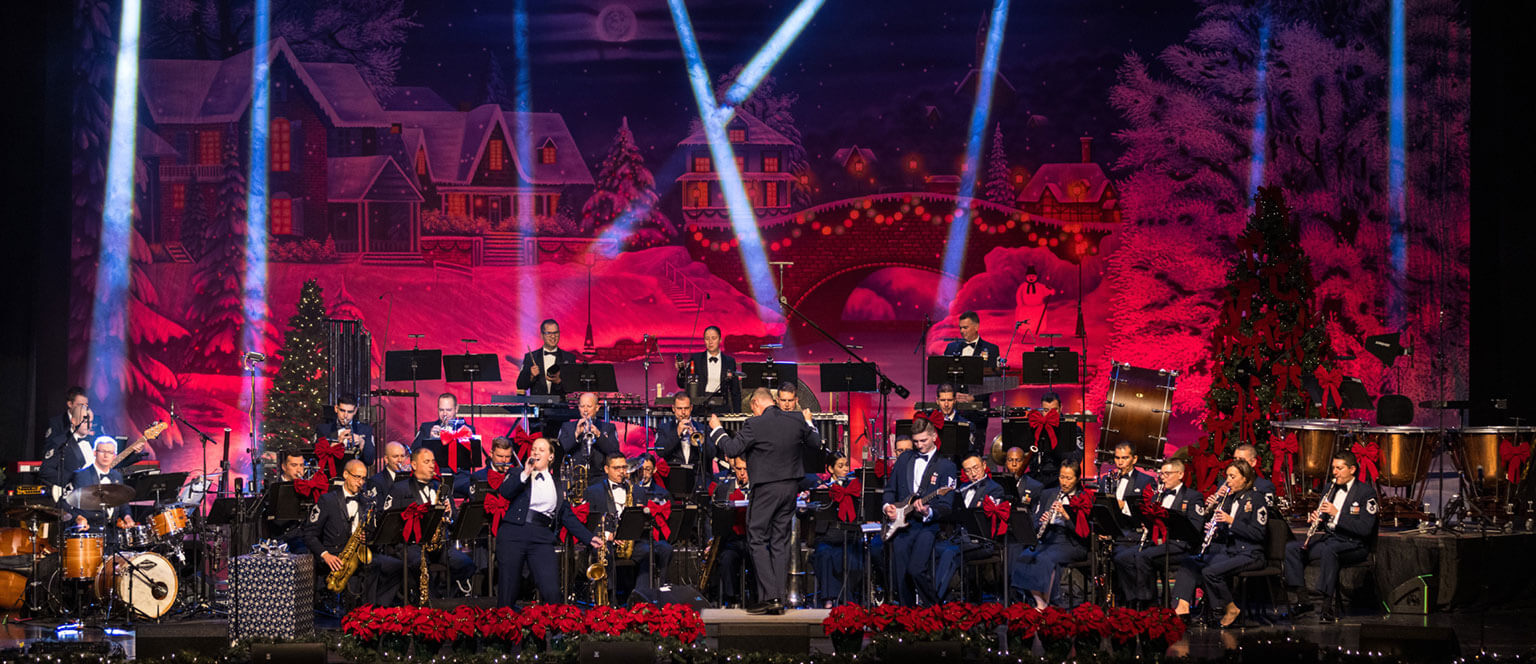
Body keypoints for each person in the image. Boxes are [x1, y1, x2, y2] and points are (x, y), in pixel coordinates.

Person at [707, 387, 822, 615]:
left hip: (767, 489)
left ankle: (772, 596)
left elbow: (731, 448)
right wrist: (809, 423)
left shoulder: (754, 423)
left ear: (756, 404)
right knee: (779, 541)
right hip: (790, 488)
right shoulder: (797, 419)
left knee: (757, 538)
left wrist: (717, 429)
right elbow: (815, 443)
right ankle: (776, 598)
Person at [493, 437, 605, 607]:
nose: (536, 452)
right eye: (534, 449)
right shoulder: (518, 474)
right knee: (508, 591)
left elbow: (567, 516)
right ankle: (504, 630)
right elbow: (505, 492)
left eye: (541, 450)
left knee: (551, 589)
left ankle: (557, 630)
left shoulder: (557, 485)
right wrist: (525, 473)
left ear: (551, 457)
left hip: (541, 537)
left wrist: (589, 538)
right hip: (514, 534)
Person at [1284, 451, 1377, 623]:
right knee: (1292, 549)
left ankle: (1326, 605)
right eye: (1333, 468)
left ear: (1352, 470)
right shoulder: (1329, 488)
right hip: (1331, 539)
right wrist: (1316, 520)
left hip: (1355, 544)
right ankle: (1303, 600)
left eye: (1340, 468)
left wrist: (1337, 514)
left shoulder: (1366, 493)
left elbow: (1365, 529)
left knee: (1330, 550)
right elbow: (1325, 520)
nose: (1335, 472)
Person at [1173, 459, 1269, 627]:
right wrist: (1216, 529)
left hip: (1251, 553)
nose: (1228, 481)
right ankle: (1181, 609)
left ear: (1245, 478)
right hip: (1231, 551)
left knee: (1210, 572)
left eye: (1232, 476)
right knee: (1190, 562)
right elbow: (1227, 531)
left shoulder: (1256, 499)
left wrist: (1230, 521)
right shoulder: (1229, 499)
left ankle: (1228, 608)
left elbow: (1258, 533)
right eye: (1227, 477)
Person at [881, 417, 958, 606]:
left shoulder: (946, 466)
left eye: (923, 440)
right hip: (903, 525)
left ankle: (935, 610)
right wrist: (887, 506)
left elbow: (947, 505)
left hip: (927, 526)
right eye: (916, 441)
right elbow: (890, 489)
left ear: (934, 436)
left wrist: (928, 512)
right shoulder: (905, 458)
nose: (919, 445)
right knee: (901, 575)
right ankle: (908, 616)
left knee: (916, 569)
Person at [381, 448, 476, 597]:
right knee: (419, 565)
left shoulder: (442, 488)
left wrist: (450, 513)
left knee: (466, 564)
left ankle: (444, 598)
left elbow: (455, 521)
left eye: (433, 461)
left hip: (440, 545)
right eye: (426, 462)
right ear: (413, 465)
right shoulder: (400, 489)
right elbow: (389, 521)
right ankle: (428, 604)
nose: (432, 465)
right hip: (413, 545)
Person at [304, 460, 402, 606]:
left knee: (397, 566)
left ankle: (377, 609)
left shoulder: (367, 501)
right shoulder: (327, 500)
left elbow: (373, 530)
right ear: (345, 474)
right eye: (357, 477)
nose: (361, 482)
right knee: (368, 570)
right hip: (335, 554)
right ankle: (355, 613)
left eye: (363, 478)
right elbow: (309, 534)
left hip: (360, 552)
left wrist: (368, 536)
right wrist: (325, 555)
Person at [1113, 458, 1205, 609]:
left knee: (1143, 557)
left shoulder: (1192, 497)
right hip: (1156, 543)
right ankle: (1133, 598)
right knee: (1122, 558)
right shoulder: (1157, 496)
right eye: (1161, 474)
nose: (1162, 477)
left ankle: (1148, 603)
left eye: (1167, 474)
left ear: (1180, 474)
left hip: (1179, 545)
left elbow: (1195, 529)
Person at [584, 453, 673, 601]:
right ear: (606, 469)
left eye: (624, 467)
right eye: (616, 468)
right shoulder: (593, 491)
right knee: (605, 553)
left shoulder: (637, 491)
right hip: (606, 541)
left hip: (632, 541)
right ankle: (609, 600)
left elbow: (645, 523)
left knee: (653, 550)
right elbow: (587, 522)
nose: (621, 471)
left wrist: (640, 516)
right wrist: (607, 535)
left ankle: (640, 596)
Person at [1012, 460, 1092, 608]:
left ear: (1077, 479)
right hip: (1050, 538)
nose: (1064, 482)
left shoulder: (1084, 498)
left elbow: (1084, 532)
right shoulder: (1049, 493)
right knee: (1025, 556)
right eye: (1062, 477)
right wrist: (1042, 521)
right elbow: (1035, 521)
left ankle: (1046, 603)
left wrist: (1066, 516)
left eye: (1069, 478)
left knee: (1044, 559)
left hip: (1071, 542)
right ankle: (1039, 601)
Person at [40, 387, 148, 490]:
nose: (89, 425)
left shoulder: (96, 442)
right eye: (85, 421)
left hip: (98, 494)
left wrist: (133, 453)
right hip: (74, 496)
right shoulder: (60, 442)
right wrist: (73, 479)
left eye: (90, 422)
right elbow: (46, 471)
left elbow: (112, 463)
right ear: (73, 421)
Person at [934, 454, 1005, 602]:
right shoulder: (963, 488)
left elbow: (989, 520)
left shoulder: (994, 489)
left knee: (950, 553)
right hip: (960, 539)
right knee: (931, 548)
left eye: (975, 468)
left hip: (982, 541)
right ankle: (943, 596)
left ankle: (935, 598)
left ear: (984, 465)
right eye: (968, 471)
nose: (973, 473)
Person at [807, 454, 863, 607]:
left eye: (846, 465)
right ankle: (830, 600)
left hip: (848, 536)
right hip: (827, 536)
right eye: (840, 466)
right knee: (824, 555)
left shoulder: (855, 487)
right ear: (830, 469)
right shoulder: (822, 488)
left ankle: (846, 600)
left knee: (849, 558)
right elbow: (805, 514)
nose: (846, 469)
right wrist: (812, 500)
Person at [942, 311, 999, 455]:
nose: (962, 331)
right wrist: (953, 396)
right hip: (955, 409)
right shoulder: (951, 348)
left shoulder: (991, 350)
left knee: (975, 452)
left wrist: (974, 397)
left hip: (977, 411)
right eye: (960, 328)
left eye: (965, 327)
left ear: (976, 326)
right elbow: (944, 377)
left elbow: (993, 381)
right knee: (953, 450)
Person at [60, 437, 139, 530]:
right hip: (89, 531)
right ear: (95, 453)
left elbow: (123, 503)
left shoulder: (117, 476)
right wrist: (78, 518)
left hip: (113, 532)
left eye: (110, 452)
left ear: (114, 456)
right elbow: (65, 504)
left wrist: (127, 517)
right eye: (102, 451)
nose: (106, 456)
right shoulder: (81, 475)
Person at [711, 457, 755, 607]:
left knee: (759, 559)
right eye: (739, 469)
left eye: (746, 469)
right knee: (726, 559)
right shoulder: (724, 488)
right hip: (731, 539)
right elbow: (714, 517)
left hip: (753, 539)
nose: (742, 473)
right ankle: (731, 599)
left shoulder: (757, 488)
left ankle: (757, 599)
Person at [677, 325, 742, 411]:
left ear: (720, 340)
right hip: (700, 406)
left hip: (721, 406)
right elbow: (683, 383)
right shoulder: (696, 359)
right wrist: (681, 370)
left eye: (713, 338)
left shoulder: (729, 361)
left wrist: (737, 413)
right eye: (707, 338)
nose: (710, 342)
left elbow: (735, 390)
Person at [655, 392, 714, 487]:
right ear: (673, 408)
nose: (683, 412)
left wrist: (698, 439)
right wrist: (677, 433)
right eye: (679, 408)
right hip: (673, 480)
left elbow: (712, 453)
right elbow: (660, 452)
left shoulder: (702, 428)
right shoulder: (664, 428)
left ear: (691, 408)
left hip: (698, 480)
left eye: (686, 408)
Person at [559, 393, 621, 475]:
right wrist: (576, 434)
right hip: (574, 474)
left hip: (600, 475)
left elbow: (614, 452)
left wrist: (599, 435)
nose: (585, 410)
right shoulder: (567, 426)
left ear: (597, 408)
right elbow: (561, 450)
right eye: (582, 406)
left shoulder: (608, 427)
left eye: (589, 406)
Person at [265, 448, 313, 552]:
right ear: (284, 467)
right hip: (282, 537)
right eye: (294, 465)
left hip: (303, 536)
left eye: (301, 465)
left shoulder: (308, 487)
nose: (299, 470)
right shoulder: (275, 488)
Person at [1029, 392, 1081, 488]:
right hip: (1037, 478)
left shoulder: (1073, 429)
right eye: (1046, 410)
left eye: (1054, 410)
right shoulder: (1035, 427)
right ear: (1041, 409)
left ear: (1061, 408)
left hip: (1060, 480)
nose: (1050, 414)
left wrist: (1055, 435)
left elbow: (1076, 459)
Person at [517, 319, 580, 397]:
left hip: (560, 407)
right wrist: (531, 376)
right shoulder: (530, 357)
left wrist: (558, 381)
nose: (553, 336)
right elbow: (520, 385)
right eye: (549, 333)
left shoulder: (569, 358)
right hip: (537, 406)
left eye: (555, 333)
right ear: (542, 335)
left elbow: (573, 386)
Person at [315, 395, 376, 466]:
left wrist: (362, 443)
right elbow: (318, 458)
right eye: (342, 410)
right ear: (336, 408)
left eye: (349, 412)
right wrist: (337, 443)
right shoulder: (323, 429)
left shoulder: (365, 430)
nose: (345, 415)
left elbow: (369, 461)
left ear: (355, 411)